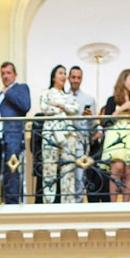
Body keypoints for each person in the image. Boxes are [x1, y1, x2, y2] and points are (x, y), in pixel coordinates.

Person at [99, 69, 130, 203]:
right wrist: (120, 109)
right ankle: (113, 204)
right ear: (123, 80)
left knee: (129, 170)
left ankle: (126, 204)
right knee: (117, 167)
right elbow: (105, 121)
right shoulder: (112, 100)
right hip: (115, 136)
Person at [37, 65, 79, 204]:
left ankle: (68, 203)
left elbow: (75, 109)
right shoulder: (46, 93)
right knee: (49, 168)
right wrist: (62, 108)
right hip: (51, 133)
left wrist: (60, 105)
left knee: (68, 169)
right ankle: (48, 202)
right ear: (53, 76)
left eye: (65, 73)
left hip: (68, 134)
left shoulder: (68, 96)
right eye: (60, 73)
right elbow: (44, 108)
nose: (63, 76)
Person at [0, 61, 31, 204]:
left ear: (15, 74)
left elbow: (25, 105)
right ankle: (6, 201)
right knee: (4, 171)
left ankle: (14, 203)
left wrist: (8, 92)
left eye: (8, 73)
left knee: (13, 169)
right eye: (3, 73)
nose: (5, 76)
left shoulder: (21, 88)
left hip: (14, 135)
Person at [67, 66, 96, 202]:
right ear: (68, 78)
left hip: (80, 144)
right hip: (65, 143)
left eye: (78, 78)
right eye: (73, 77)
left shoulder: (89, 99)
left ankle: (77, 213)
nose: (76, 80)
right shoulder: (62, 97)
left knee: (79, 179)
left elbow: (93, 128)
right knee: (66, 178)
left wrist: (89, 118)